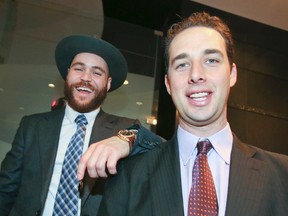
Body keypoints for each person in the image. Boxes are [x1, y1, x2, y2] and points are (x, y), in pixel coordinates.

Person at [97, 12, 288, 216]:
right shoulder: (128, 177)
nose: (196, 75)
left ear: (232, 74)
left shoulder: (282, 175)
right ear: (168, 84)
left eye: (211, 60)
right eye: (182, 65)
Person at [0, 35, 162, 216]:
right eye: (79, 69)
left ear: (107, 84)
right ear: (67, 74)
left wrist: (127, 139)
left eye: (97, 72)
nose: (86, 78)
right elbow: (6, 189)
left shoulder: (126, 128)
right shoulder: (31, 126)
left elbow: (162, 151)